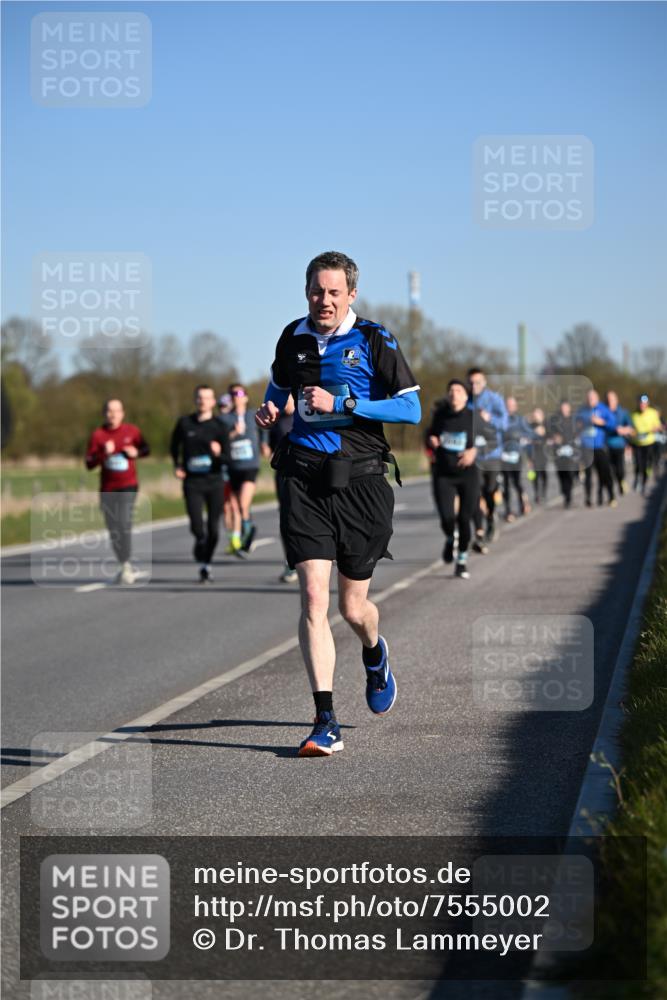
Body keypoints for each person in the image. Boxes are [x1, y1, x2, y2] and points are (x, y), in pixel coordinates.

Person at [255, 251, 420, 757]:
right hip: (303, 476)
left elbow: (410, 406)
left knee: (353, 607)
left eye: (332, 292)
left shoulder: (374, 339)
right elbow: (280, 385)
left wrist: (346, 403)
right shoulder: (293, 336)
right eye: (315, 291)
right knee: (312, 599)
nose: (322, 300)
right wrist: (271, 406)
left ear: (351, 294)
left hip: (362, 482)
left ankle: (374, 652)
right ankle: (325, 719)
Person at [85, 398, 150, 584]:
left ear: (122, 413)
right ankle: (123, 563)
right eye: (109, 411)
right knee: (113, 528)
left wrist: (136, 453)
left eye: (116, 411)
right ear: (104, 413)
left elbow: (146, 449)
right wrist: (103, 453)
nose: (112, 414)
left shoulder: (132, 431)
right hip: (107, 488)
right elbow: (89, 463)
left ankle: (126, 565)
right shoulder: (98, 435)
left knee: (123, 523)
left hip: (128, 485)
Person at [170, 385, 229, 582]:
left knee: (213, 529)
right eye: (199, 397)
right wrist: (177, 465)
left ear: (213, 402)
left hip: (214, 482)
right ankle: (199, 541)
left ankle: (205, 565)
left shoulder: (220, 426)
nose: (203, 401)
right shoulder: (185, 423)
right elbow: (173, 446)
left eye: (207, 398)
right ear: (195, 400)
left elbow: (228, 458)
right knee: (197, 527)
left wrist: (218, 453)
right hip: (192, 482)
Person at [426, 380, 478, 579]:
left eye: (458, 390)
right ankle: (450, 537)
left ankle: (462, 560)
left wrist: (474, 451)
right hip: (444, 473)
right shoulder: (440, 415)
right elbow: (429, 434)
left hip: (468, 474)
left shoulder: (473, 417)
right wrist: (432, 440)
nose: (454, 393)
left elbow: (489, 441)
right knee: (447, 518)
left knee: (464, 519)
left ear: (466, 396)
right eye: (451, 391)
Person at [219, 383, 262, 555]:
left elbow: (265, 429)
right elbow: (220, 441)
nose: (236, 396)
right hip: (233, 467)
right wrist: (233, 434)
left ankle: (248, 532)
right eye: (232, 394)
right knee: (235, 507)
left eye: (239, 393)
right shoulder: (224, 419)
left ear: (246, 397)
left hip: (250, 466)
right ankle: (246, 529)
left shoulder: (253, 415)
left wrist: (265, 444)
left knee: (244, 504)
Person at [467, 368, 508, 546]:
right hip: (473, 454)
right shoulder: (466, 401)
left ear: (484, 383)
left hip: (491, 453)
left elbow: (504, 424)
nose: (473, 386)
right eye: (471, 382)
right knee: (475, 491)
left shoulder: (494, 399)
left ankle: (491, 517)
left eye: (477, 382)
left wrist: (489, 418)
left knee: (489, 490)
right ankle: (480, 528)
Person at [266, 394, 297, 582]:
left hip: (308, 473)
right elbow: (271, 448)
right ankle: (290, 562)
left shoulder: (305, 415)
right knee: (286, 518)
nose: (283, 400)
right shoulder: (277, 422)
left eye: (287, 397)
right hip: (283, 474)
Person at [575, 388, 617, 507]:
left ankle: (611, 496)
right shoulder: (582, 410)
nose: (590, 400)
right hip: (587, 448)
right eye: (588, 398)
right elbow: (575, 424)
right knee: (587, 475)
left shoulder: (603, 409)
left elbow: (613, 424)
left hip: (600, 447)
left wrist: (601, 422)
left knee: (604, 473)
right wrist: (580, 425)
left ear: (597, 398)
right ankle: (588, 499)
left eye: (592, 398)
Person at [501, 397, 533, 521]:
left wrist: (523, 437)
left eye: (512, 405)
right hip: (504, 457)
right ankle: (508, 511)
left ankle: (522, 505)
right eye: (508, 404)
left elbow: (529, 433)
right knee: (506, 484)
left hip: (517, 456)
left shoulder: (520, 420)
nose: (510, 407)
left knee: (518, 483)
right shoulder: (501, 420)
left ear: (516, 406)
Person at [547, 400, 579, 508]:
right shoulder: (555, 419)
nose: (565, 409)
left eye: (566, 407)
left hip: (570, 450)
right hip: (559, 451)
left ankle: (568, 496)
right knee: (561, 474)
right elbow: (549, 431)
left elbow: (578, 431)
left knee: (570, 473)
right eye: (563, 407)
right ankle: (565, 493)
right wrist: (554, 436)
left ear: (569, 408)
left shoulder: (573, 419)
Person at [630, 394, 663, 494]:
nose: (642, 405)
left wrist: (655, 428)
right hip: (637, 443)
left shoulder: (653, 413)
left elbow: (659, 426)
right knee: (637, 464)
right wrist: (632, 432)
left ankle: (644, 484)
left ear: (647, 404)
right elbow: (629, 427)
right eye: (640, 403)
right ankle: (636, 479)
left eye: (644, 403)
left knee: (645, 466)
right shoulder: (633, 414)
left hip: (649, 443)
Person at [605, 390, 633, 494]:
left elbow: (631, 427)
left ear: (617, 400)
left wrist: (624, 430)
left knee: (620, 469)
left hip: (619, 444)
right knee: (610, 470)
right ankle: (612, 490)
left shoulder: (623, 412)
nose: (610, 401)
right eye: (608, 399)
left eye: (612, 399)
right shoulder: (604, 412)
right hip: (606, 445)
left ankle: (621, 481)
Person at [528, 407, 549, 504]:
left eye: (538, 414)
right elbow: (527, 439)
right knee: (534, 475)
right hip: (534, 453)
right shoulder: (531, 426)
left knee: (543, 473)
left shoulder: (546, 425)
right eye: (535, 414)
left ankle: (543, 492)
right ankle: (537, 493)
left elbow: (549, 437)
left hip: (543, 453)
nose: (536, 416)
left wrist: (543, 432)